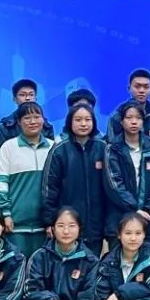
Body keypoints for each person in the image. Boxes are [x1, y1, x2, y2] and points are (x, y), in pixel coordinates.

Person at [41, 102, 107, 256]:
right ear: (70, 122)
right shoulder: (59, 150)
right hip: (67, 225)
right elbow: (49, 189)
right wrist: (49, 221)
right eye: (78, 120)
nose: (83, 124)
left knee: (93, 265)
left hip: (97, 225)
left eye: (87, 119)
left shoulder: (103, 148)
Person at [0, 102, 54, 258]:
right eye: (27, 118)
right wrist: (5, 214)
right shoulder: (8, 147)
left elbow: (59, 187)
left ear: (43, 120)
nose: (33, 121)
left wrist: (55, 220)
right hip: (15, 227)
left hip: (45, 228)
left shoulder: (54, 148)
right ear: (19, 122)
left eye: (37, 117)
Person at [103, 102, 150, 250]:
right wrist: (135, 210)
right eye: (129, 118)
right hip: (120, 217)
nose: (134, 121)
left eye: (138, 118)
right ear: (121, 121)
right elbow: (114, 185)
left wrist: (148, 210)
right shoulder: (112, 149)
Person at [106, 69, 150, 147]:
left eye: (146, 87)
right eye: (137, 86)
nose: (141, 90)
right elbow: (110, 146)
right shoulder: (116, 116)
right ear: (129, 88)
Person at [0, 79, 55, 148]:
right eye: (22, 95)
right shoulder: (5, 127)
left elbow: (51, 151)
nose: (28, 98)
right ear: (14, 99)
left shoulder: (46, 126)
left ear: (36, 98)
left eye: (31, 95)